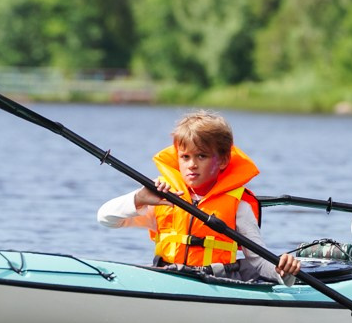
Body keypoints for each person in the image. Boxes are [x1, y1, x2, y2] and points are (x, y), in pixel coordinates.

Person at [97, 110, 301, 284]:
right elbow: (106, 219)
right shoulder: (165, 198)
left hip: (214, 284)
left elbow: (259, 261)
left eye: (201, 156)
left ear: (222, 160)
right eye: (185, 157)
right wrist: (139, 198)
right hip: (167, 278)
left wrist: (283, 271)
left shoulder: (238, 207)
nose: (192, 165)